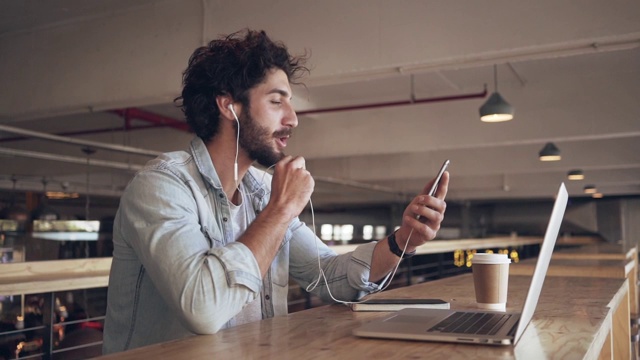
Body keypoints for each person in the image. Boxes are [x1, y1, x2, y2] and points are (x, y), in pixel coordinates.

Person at [102, 29, 449, 354]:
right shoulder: (161, 187)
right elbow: (203, 309)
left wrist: (403, 240)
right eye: (276, 101)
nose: (293, 118)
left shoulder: (262, 190)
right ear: (229, 106)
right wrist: (280, 211)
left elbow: (329, 278)